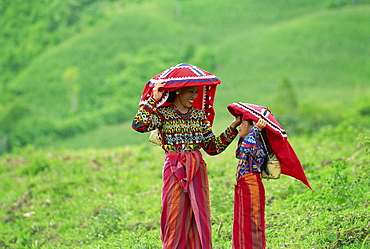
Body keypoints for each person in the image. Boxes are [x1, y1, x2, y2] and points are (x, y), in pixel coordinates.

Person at [132, 81, 241, 249]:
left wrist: (233, 127)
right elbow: (139, 124)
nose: (194, 96)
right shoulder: (163, 114)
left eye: (196, 92)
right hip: (174, 170)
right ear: (178, 91)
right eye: (190, 91)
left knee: (199, 215)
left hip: (197, 170)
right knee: (173, 215)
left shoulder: (199, 116)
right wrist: (153, 100)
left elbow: (213, 148)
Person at [233, 118, 268, 249]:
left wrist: (256, 129)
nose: (239, 126)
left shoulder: (257, 143)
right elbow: (239, 152)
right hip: (244, 185)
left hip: (251, 185)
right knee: (242, 221)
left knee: (252, 222)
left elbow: (246, 148)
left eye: (242, 124)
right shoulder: (247, 141)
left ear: (251, 127)